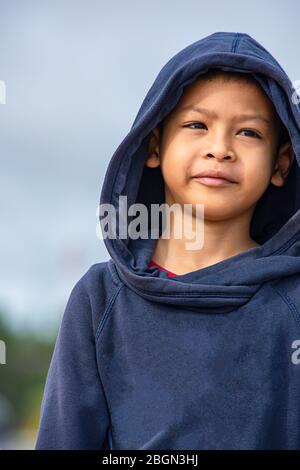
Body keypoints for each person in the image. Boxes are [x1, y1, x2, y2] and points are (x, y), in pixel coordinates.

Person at [35, 31, 300, 450]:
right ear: (155, 144)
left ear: (281, 162)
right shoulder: (100, 300)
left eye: (248, 132)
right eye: (197, 125)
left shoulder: (293, 301)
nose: (220, 148)